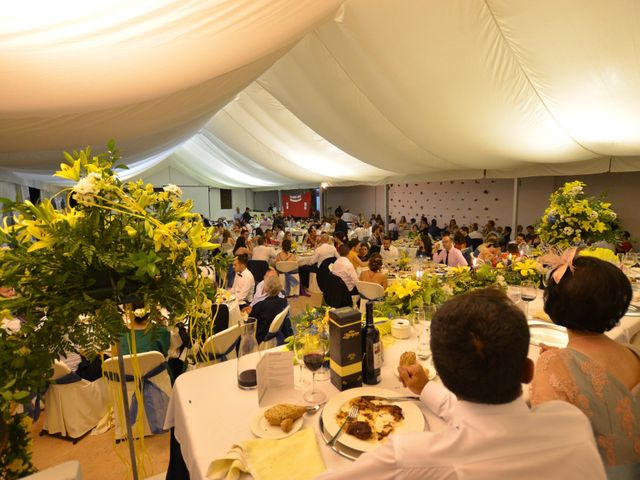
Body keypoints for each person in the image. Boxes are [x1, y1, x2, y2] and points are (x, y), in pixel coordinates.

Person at [317, 288, 606, 480]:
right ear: (528, 371)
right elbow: (490, 424)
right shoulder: (571, 421)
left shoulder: (413, 457)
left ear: (442, 371)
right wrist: (425, 389)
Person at [530, 253, 640, 478]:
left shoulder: (551, 363)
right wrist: (565, 361)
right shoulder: (634, 352)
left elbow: (545, 448)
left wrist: (555, 365)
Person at [251, 275, 292, 345]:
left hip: (260, 339)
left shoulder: (259, 305)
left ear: (266, 289)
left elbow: (251, 325)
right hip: (276, 336)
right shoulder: (284, 302)